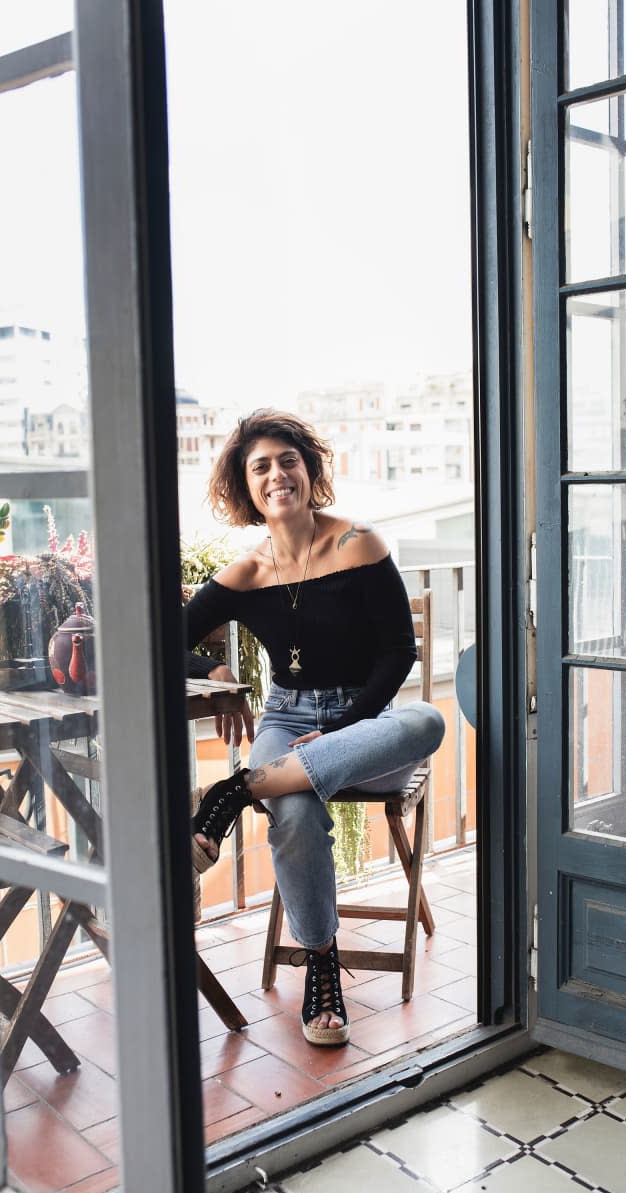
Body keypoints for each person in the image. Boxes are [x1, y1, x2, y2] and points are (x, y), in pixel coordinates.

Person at [184, 410, 446, 1046]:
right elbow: (165, 643)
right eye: (261, 467)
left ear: (310, 469)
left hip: (367, 724)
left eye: (288, 460)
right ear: (247, 488)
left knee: (429, 718)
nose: (278, 475)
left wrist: (344, 729)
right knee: (295, 813)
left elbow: (398, 654)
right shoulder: (246, 573)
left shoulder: (359, 543)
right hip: (286, 716)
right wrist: (217, 666)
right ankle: (321, 966)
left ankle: (235, 790)